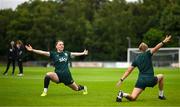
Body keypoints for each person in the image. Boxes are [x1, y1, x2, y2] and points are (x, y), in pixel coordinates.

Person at [116, 35, 171, 102]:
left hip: (141, 81)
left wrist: (121, 80)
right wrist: (164, 41)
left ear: (140, 49)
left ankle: (122, 94)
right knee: (161, 76)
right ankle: (161, 95)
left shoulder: (136, 59)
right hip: (150, 80)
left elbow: (128, 71)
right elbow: (156, 48)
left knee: (133, 98)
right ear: (146, 48)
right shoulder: (148, 53)